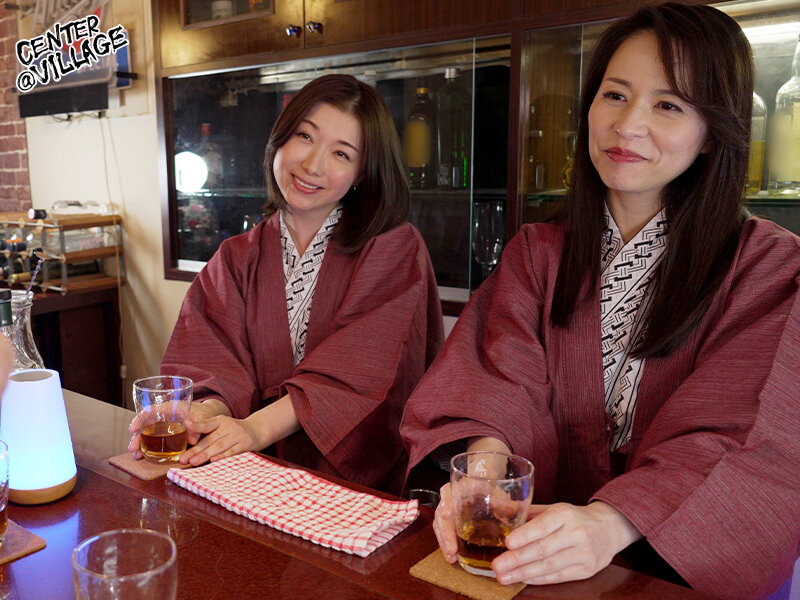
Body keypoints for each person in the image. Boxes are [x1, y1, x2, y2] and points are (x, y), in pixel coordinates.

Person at [400, 4, 800, 599]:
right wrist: (483, 478)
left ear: (715, 131)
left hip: (671, 563)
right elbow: (493, 381)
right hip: (531, 552)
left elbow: (739, 432)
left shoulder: (769, 267)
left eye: (668, 105)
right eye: (615, 95)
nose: (628, 125)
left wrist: (611, 522)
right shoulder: (538, 252)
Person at [130, 74, 444, 493]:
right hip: (249, 474)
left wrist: (254, 429)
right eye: (305, 136)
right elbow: (212, 359)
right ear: (279, 139)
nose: (313, 165)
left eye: (341, 153)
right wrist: (202, 415)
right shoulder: (236, 256)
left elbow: (358, 370)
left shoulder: (394, 248)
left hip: (352, 486)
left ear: (361, 173)